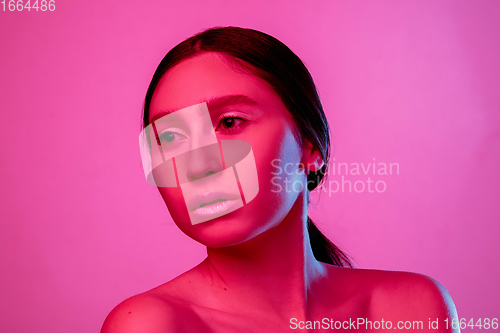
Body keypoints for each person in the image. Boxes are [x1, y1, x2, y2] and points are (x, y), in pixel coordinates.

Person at [101, 27, 458, 332]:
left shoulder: (412, 311)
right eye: (171, 138)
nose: (197, 166)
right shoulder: (151, 325)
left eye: (229, 122)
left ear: (309, 146)